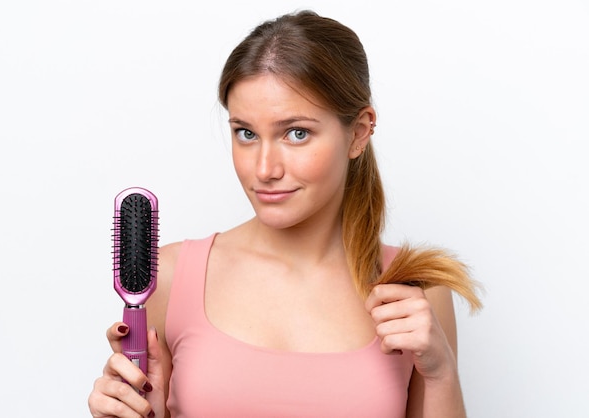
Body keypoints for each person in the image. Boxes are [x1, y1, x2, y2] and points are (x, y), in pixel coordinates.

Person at [88, 10, 481, 418]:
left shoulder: (415, 292)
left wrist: (440, 374)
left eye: (296, 133)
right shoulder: (168, 278)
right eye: (246, 133)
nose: (264, 169)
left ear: (359, 131)